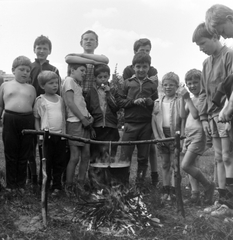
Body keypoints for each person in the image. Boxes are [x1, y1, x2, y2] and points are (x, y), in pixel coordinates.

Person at [192, 22, 233, 214]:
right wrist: (206, 117)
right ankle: (221, 197)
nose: (200, 48)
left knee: (227, 156)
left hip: (226, 114)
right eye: (198, 46)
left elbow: (229, 87)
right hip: (212, 115)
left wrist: (226, 111)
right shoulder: (206, 63)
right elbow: (205, 93)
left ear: (215, 37)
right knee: (217, 157)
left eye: (202, 43)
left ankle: (229, 203)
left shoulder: (229, 55)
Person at [117, 52, 158, 186]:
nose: (141, 70)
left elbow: (156, 103)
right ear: (133, 67)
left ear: (149, 67)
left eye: (144, 67)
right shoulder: (127, 83)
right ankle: (123, 185)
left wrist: (148, 101)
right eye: (138, 66)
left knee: (143, 157)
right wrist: (134, 102)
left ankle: (140, 184)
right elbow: (120, 102)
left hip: (146, 125)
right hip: (130, 124)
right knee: (125, 156)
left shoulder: (152, 84)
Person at [29, 35, 62, 190]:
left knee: (47, 149)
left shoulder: (54, 69)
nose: (41, 51)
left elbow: (58, 90)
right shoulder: (29, 67)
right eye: (39, 48)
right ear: (34, 49)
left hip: (50, 109)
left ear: (49, 51)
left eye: (45, 48)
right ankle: (32, 178)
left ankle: (51, 181)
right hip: (31, 109)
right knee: (31, 146)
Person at [0, 56, 36, 193]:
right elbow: (1, 106)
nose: (25, 72)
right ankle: (10, 184)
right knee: (10, 152)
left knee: (24, 153)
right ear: (13, 70)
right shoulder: (5, 85)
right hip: (10, 119)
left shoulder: (31, 88)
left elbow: (33, 106)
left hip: (27, 119)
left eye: (28, 70)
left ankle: (21, 184)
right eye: (21, 69)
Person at [180, 69, 215, 205]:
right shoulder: (192, 98)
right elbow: (183, 115)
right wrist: (183, 99)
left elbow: (196, 115)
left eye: (195, 82)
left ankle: (208, 185)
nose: (192, 85)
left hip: (199, 135)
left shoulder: (202, 97)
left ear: (202, 82)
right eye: (189, 83)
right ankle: (195, 193)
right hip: (189, 135)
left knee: (186, 165)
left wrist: (187, 99)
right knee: (191, 164)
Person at [85, 64, 120, 185]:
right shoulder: (91, 92)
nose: (103, 79)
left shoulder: (113, 90)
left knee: (110, 156)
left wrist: (109, 94)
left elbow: (116, 107)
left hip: (111, 128)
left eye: (105, 76)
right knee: (95, 156)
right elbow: (88, 110)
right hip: (97, 127)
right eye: (100, 77)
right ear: (95, 78)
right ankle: (94, 183)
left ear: (109, 77)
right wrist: (90, 127)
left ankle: (109, 182)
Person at [62, 62, 93, 196]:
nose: (84, 73)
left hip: (84, 122)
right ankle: (69, 186)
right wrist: (82, 119)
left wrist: (89, 117)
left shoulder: (77, 85)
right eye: (82, 70)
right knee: (74, 157)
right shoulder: (69, 81)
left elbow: (81, 104)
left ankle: (80, 184)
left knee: (86, 155)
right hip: (75, 122)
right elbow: (70, 102)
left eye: (85, 71)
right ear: (72, 70)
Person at [33, 71, 67, 197]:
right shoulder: (40, 100)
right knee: (46, 162)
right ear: (42, 86)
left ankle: (57, 186)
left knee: (59, 162)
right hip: (46, 137)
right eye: (51, 83)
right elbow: (36, 118)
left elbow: (63, 117)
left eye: (56, 83)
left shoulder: (61, 100)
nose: (55, 85)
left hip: (60, 136)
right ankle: (44, 186)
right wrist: (38, 134)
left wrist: (64, 134)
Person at [152, 72, 182, 201]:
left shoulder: (179, 101)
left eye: (171, 85)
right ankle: (166, 188)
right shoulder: (157, 101)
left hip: (174, 135)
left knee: (175, 164)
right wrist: (157, 137)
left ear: (177, 86)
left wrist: (179, 136)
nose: (168, 87)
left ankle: (175, 190)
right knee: (165, 163)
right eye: (165, 85)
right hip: (161, 135)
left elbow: (182, 118)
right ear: (162, 86)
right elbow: (153, 120)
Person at [65, 30, 109, 97]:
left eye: (92, 39)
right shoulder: (76, 58)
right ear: (81, 43)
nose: (88, 41)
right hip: (77, 94)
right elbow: (68, 58)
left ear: (96, 44)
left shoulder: (99, 58)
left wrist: (83, 55)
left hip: (94, 96)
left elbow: (105, 60)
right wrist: (91, 61)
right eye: (86, 39)